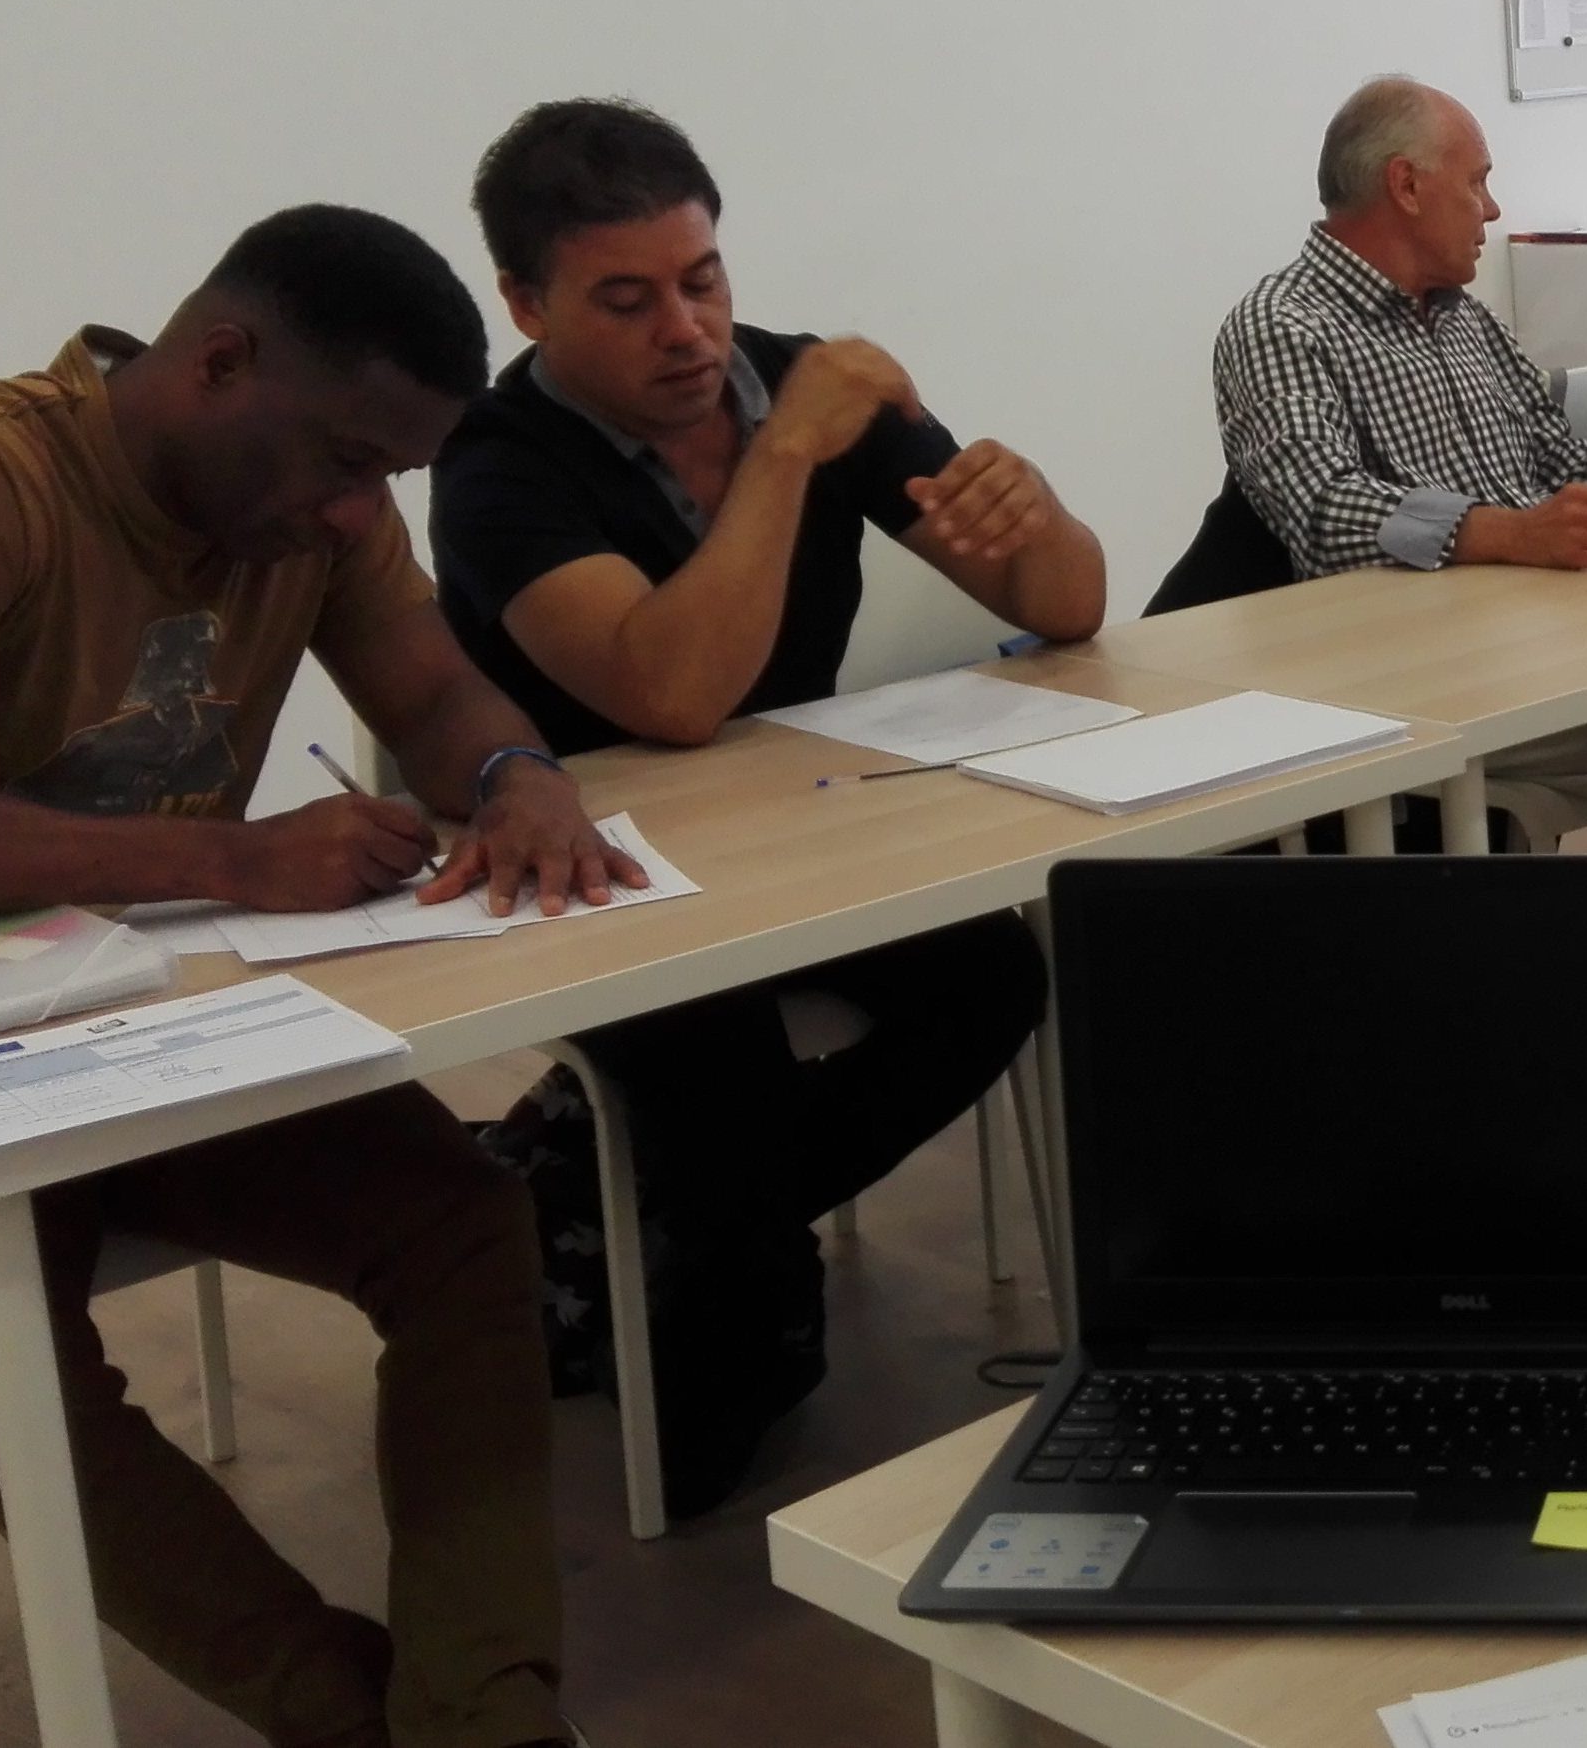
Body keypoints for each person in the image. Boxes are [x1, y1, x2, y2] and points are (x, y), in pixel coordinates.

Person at [0, 206, 605, 1748]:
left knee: (463, 1224)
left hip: (146, 1019)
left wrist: (519, 776)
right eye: (347, 462)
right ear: (220, 362)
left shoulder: (321, 515)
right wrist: (223, 858)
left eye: (390, 478)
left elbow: (435, 694)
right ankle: (347, 1716)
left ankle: (483, 1722)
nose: (360, 513)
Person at [429, 99, 1098, 1515]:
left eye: (703, 279)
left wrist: (1030, 510)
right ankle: (698, 1300)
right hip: (595, 873)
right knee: (712, 1074)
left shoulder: (799, 384)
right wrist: (785, 456)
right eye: (627, 302)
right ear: (527, 305)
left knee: (992, 978)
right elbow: (669, 695)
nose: (686, 331)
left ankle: (656, 1223)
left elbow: (1066, 606)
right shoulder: (496, 464)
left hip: (802, 834)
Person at [1219, 75, 1587, 853]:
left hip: (1531, 640)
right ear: (1406, 186)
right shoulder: (1283, 325)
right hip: (1416, 680)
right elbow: (1321, 506)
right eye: (1476, 183)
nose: (1492, 210)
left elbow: (1555, 456)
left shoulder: (1463, 320)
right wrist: (1510, 533)